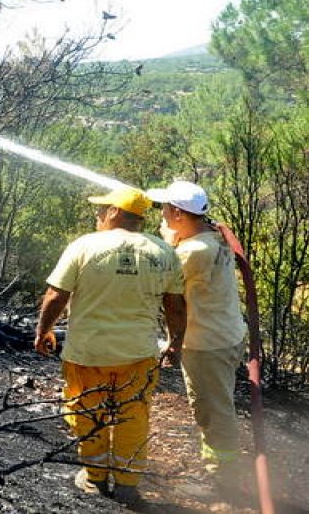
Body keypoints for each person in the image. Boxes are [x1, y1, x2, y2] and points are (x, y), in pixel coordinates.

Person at [34, 185, 185, 506]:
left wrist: (43, 331)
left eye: (102, 209)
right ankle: (128, 484)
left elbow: (55, 295)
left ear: (115, 212)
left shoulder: (84, 246)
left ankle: (95, 477)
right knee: (134, 415)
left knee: (87, 411)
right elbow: (175, 306)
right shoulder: (163, 252)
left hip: (87, 353)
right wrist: (175, 342)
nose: (98, 214)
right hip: (138, 354)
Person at [146, 179, 248, 491]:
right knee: (214, 406)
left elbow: (161, 278)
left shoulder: (191, 253)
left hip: (207, 344)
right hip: (226, 334)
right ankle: (217, 467)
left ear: (178, 214)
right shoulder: (213, 237)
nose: (160, 214)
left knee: (213, 410)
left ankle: (223, 478)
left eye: (164, 210)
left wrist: (166, 241)